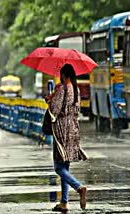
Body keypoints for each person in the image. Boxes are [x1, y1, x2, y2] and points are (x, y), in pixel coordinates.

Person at [46, 64, 87, 212]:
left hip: (62, 130)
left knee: (58, 167)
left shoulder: (62, 89)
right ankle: (64, 202)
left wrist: (50, 100)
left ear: (64, 75)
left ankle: (78, 187)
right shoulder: (75, 89)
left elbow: (54, 110)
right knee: (65, 166)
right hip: (73, 129)